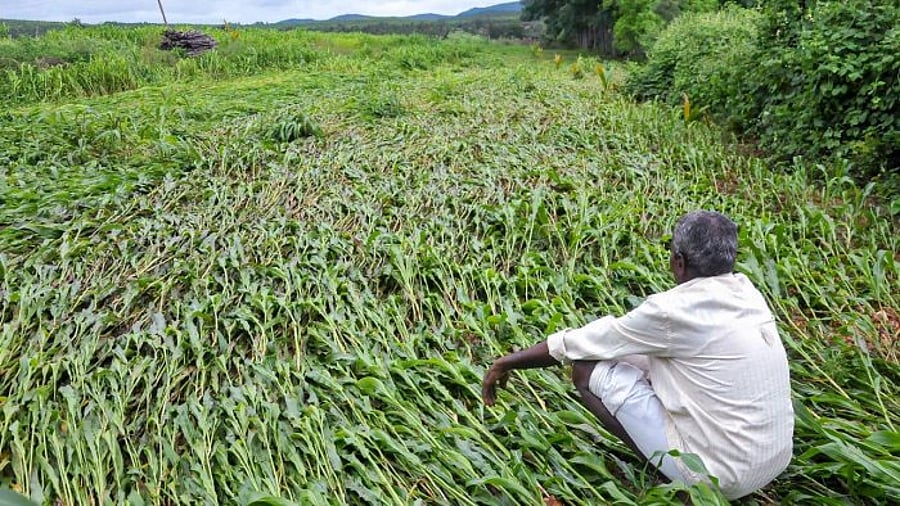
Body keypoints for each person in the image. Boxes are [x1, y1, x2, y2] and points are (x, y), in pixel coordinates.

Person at [481, 210, 794, 500]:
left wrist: (506, 362)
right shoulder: (748, 292)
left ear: (679, 262)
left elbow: (583, 343)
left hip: (720, 477)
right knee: (650, 360)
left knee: (586, 369)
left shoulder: (672, 310)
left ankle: (674, 478)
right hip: (774, 459)